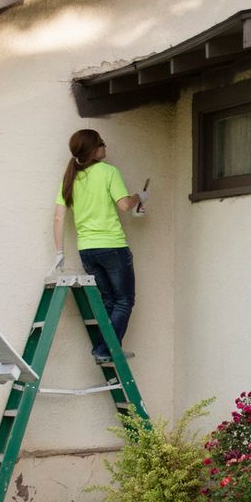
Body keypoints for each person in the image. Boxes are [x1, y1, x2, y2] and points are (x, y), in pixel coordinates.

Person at [52, 129, 144, 362]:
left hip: (87, 250)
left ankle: (109, 348)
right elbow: (124, 205)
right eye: (102, 144)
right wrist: (139, 197)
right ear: (93, 149)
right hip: (112, 246)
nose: (106, 148)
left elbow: (58, 218)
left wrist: (60, 252)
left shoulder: (70, 178)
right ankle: (106, 350)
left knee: (109, 301)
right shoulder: (108, 172)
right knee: (124, 300)